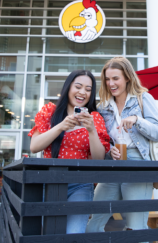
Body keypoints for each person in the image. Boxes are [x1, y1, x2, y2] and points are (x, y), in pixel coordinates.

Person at [86, 57, 158, 233]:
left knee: (135, 227)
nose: (110, 83)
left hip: (138, 164)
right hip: (113, 165)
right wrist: (109, 152)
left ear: (127, 77)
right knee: (93, 223)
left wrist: (137, 120)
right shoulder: (103, 107)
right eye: (107, 79)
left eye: (115, 78)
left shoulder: (143, 98)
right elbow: (104, 141)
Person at [29, 70, 110, 234]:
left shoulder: (94, 118)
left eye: (88, 89)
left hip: (80, 184)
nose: (82, 92)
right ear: (68, 87)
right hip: (49, 183)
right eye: (78, 86)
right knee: (50, 234)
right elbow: (34, 146)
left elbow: (99, 158)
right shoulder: (50, 112)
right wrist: (60, 126)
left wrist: (92, 130)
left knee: (74, 233)